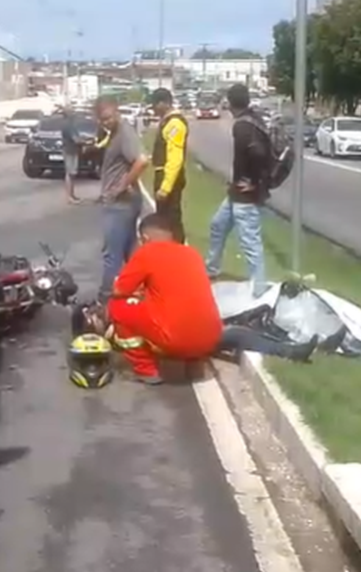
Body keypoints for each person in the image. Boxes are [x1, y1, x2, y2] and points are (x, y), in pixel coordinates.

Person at [98, 213, 318, 385]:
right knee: (236, 334)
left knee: (118, 306)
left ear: (144, 238)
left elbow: (119, 290)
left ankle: (146, 371)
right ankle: (290, 351)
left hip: (174, 340)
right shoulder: (191, 254)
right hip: (208, 337)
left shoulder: (147, 253)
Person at [206, 84, 271, 296]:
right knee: (217, 225)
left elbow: (260, 155)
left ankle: (258, 288)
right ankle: (211, 268)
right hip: (236, 193)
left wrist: (254, 182)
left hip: (246, 196)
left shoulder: (242, 127)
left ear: (229, 102)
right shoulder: (255, 119)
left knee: (250, 242)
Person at [94, 94, 148, 300]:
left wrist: (122, 185)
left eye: (109, 117)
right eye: (102, 119)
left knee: (111, 254)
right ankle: (143, 290)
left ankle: (107, 297)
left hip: (120, 204)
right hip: (122, 203)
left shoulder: (125, 132)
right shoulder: (115, 133)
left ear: (117, 111)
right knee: (130, 253)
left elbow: (142, 161)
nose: (106, 122)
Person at [149, 88, 190, 242]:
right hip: (164, 173)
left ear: (164, 103)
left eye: (155, 105)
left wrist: (165, 188)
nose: (153, 109)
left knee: (171, 221)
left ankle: (178, 254)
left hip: (169, 177)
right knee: (164, 220)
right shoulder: (167, 121)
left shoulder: (175, 124)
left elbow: (175, 158)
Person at [60, 106, 82, 203]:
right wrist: (85, 142)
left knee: (72, 174)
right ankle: (69, 197)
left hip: (71, 150)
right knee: (69, 173)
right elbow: (75, 139)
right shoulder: (68, 125)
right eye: (72, 112)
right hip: (70, 151)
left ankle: (72, 195)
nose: (74, 114)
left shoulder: (69, 124)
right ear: (68, 114)